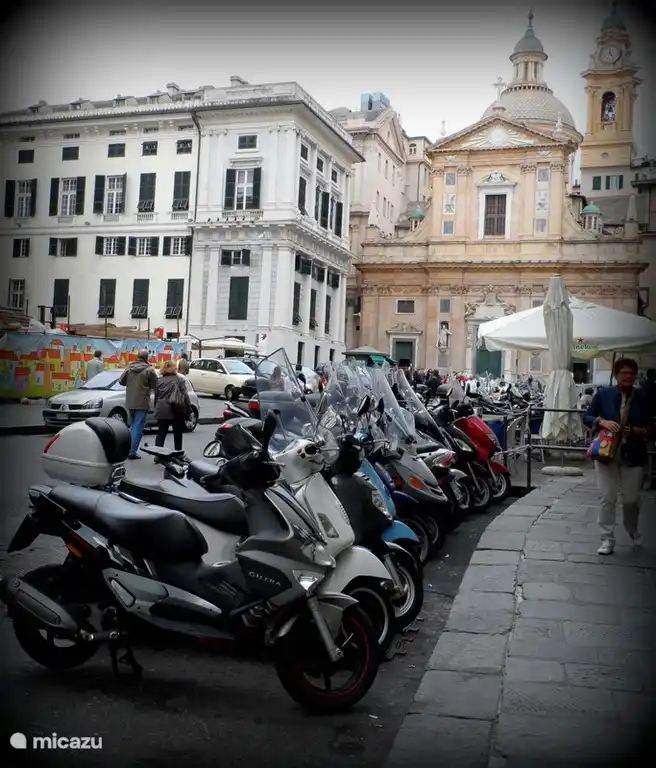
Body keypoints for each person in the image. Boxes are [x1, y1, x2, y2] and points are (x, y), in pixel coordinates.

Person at [583, 358, 652, 555]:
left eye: (632, 373)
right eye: (624, 372)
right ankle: (607, 539)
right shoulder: (603, 394)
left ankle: (632, 531)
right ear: (616, 375)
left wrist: (641, 431)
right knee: (607, 497)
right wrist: (601, 421)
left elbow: (652, 426)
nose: (628, 376)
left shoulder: (643, 398)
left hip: (634, 453)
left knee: (631, 499)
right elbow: (586, 417)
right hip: (606, 453)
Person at [119, 349, 158, 460]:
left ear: (137, 357)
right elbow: (155, 385)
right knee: (138, 427)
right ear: (146, 358)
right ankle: (132, 452)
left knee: (132, 426)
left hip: (130, 401)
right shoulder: (149, 370)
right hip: (142, 401)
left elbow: (121, 381)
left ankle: (127, 450)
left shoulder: (129, 368)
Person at [154, 360, 191, 452]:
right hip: (176, 409)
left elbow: (156, 396)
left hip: (161, 409)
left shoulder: (159, 381)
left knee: (161, 433)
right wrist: (188, 410)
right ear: (174, 368)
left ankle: (158, 454)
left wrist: (156, 408)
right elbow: (185, 396)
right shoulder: (179, 380)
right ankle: (177, 452)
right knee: (177, 433)